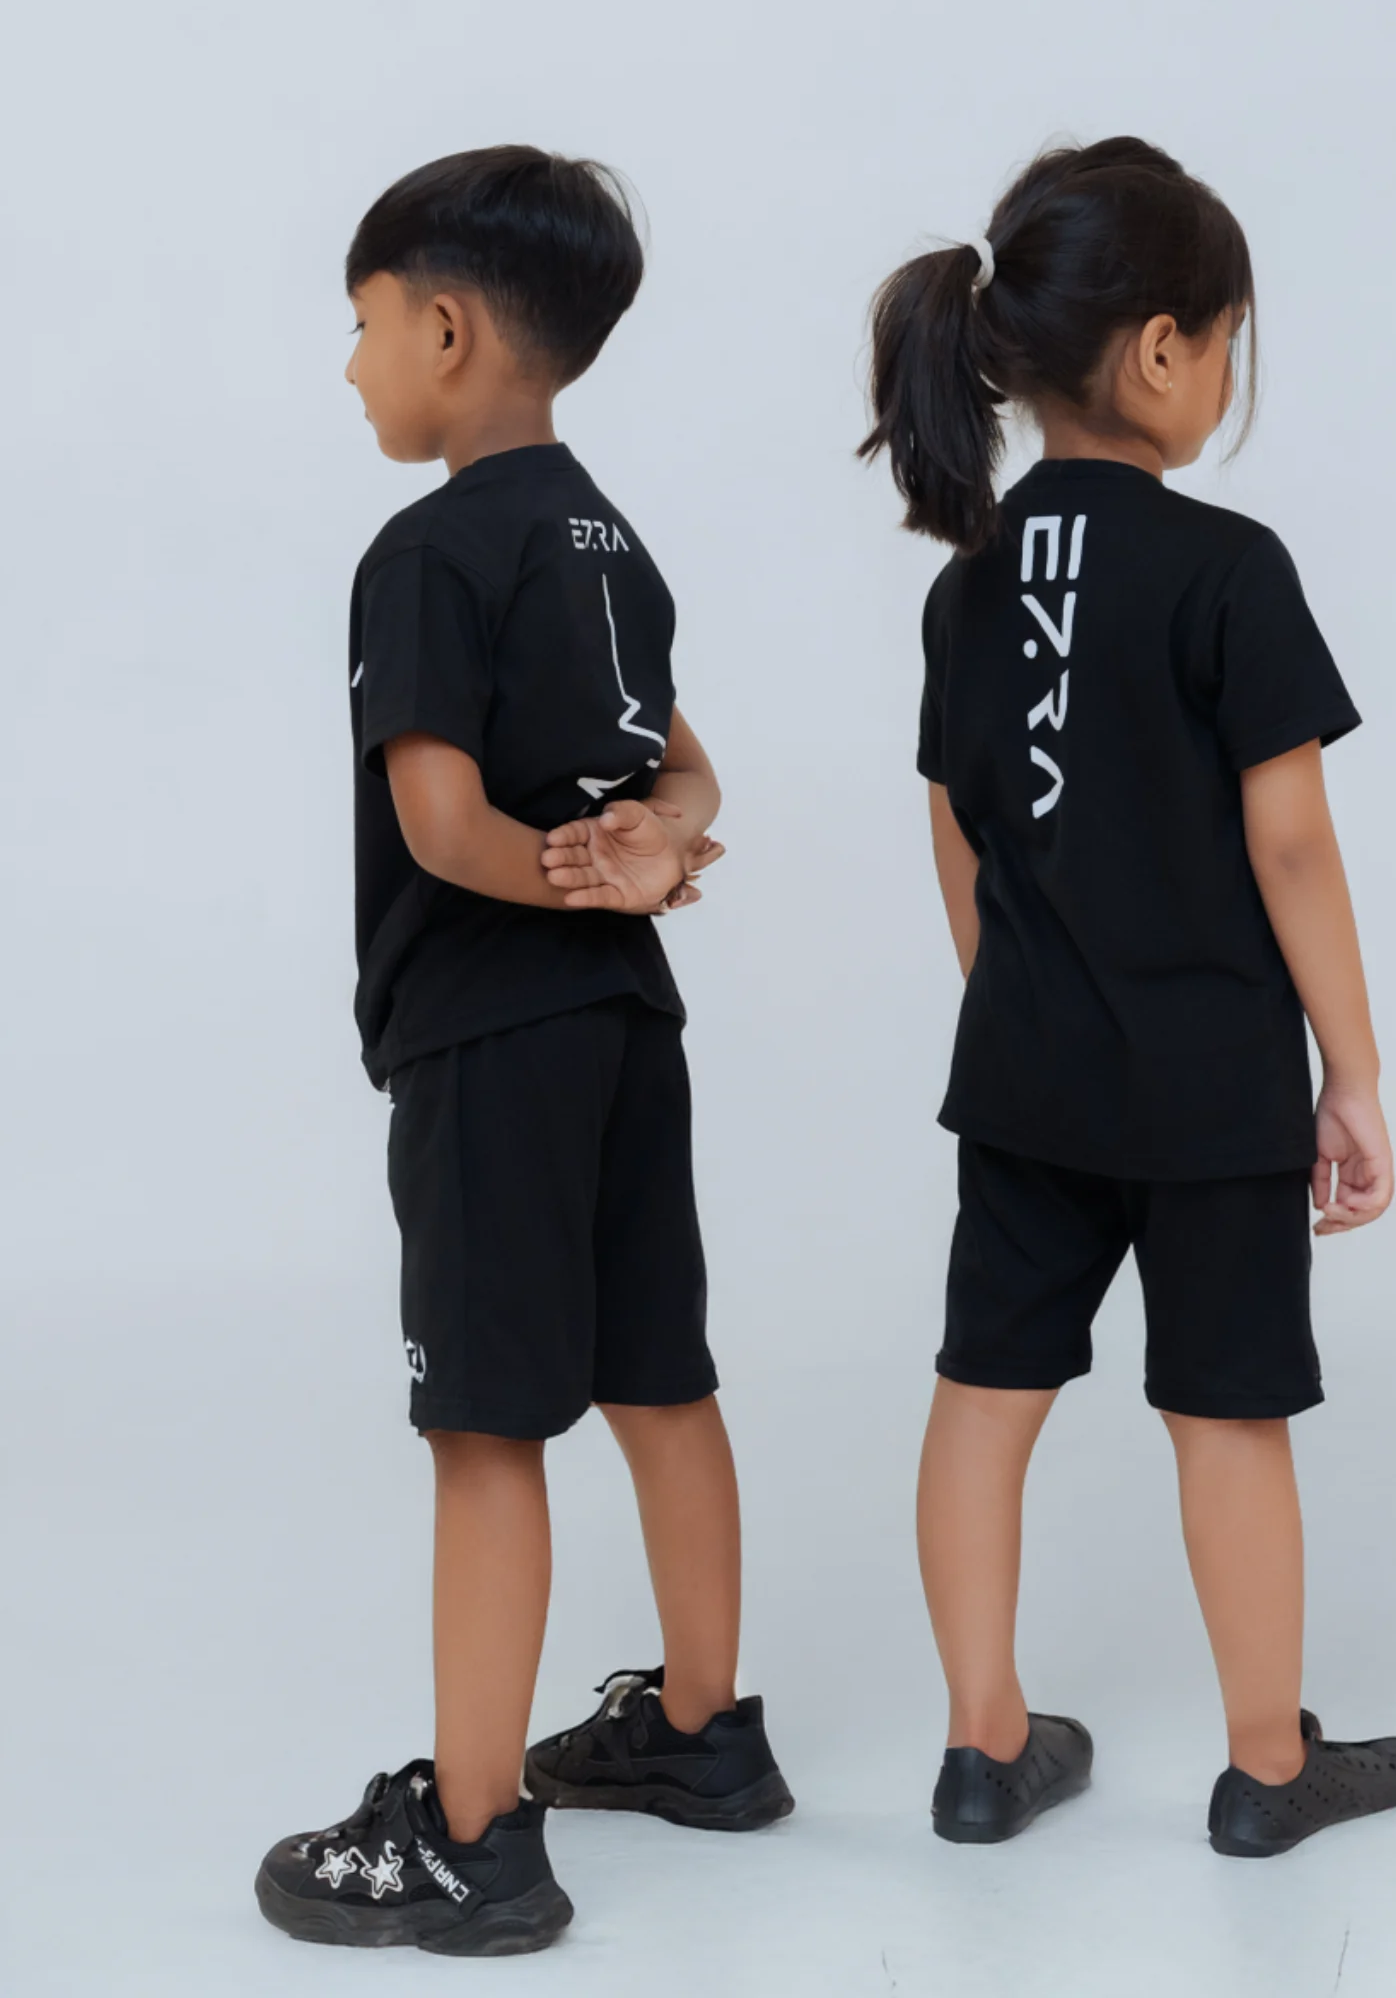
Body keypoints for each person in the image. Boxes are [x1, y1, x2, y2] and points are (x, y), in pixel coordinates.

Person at [860, 137, 1396, 1856]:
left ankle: (981, 1751)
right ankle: (1266, 1771)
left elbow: (955, 829)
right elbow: (1291, 843)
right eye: (1228, 343)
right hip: (1207, 1089)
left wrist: (1022, 1001)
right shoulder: (1224, 568)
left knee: (983, 1397)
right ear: (1164, 349)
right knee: (1225, 1413)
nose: (1227, 378)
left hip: (1023, 1078)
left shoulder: (966, 587)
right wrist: (1352, 1069)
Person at [255, 148, 791, 1959]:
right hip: (631, 1027)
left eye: (360, 326)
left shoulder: (426, 552)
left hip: (489, 1040)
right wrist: (651, 853)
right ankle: (706, 1733)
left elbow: (439, 824)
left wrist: (576, 877)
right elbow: (685, 771)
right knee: (660, 1378)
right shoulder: (607, 544)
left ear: (446, 329)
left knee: (485, 1425)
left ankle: (472, 1839)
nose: (351, 366)